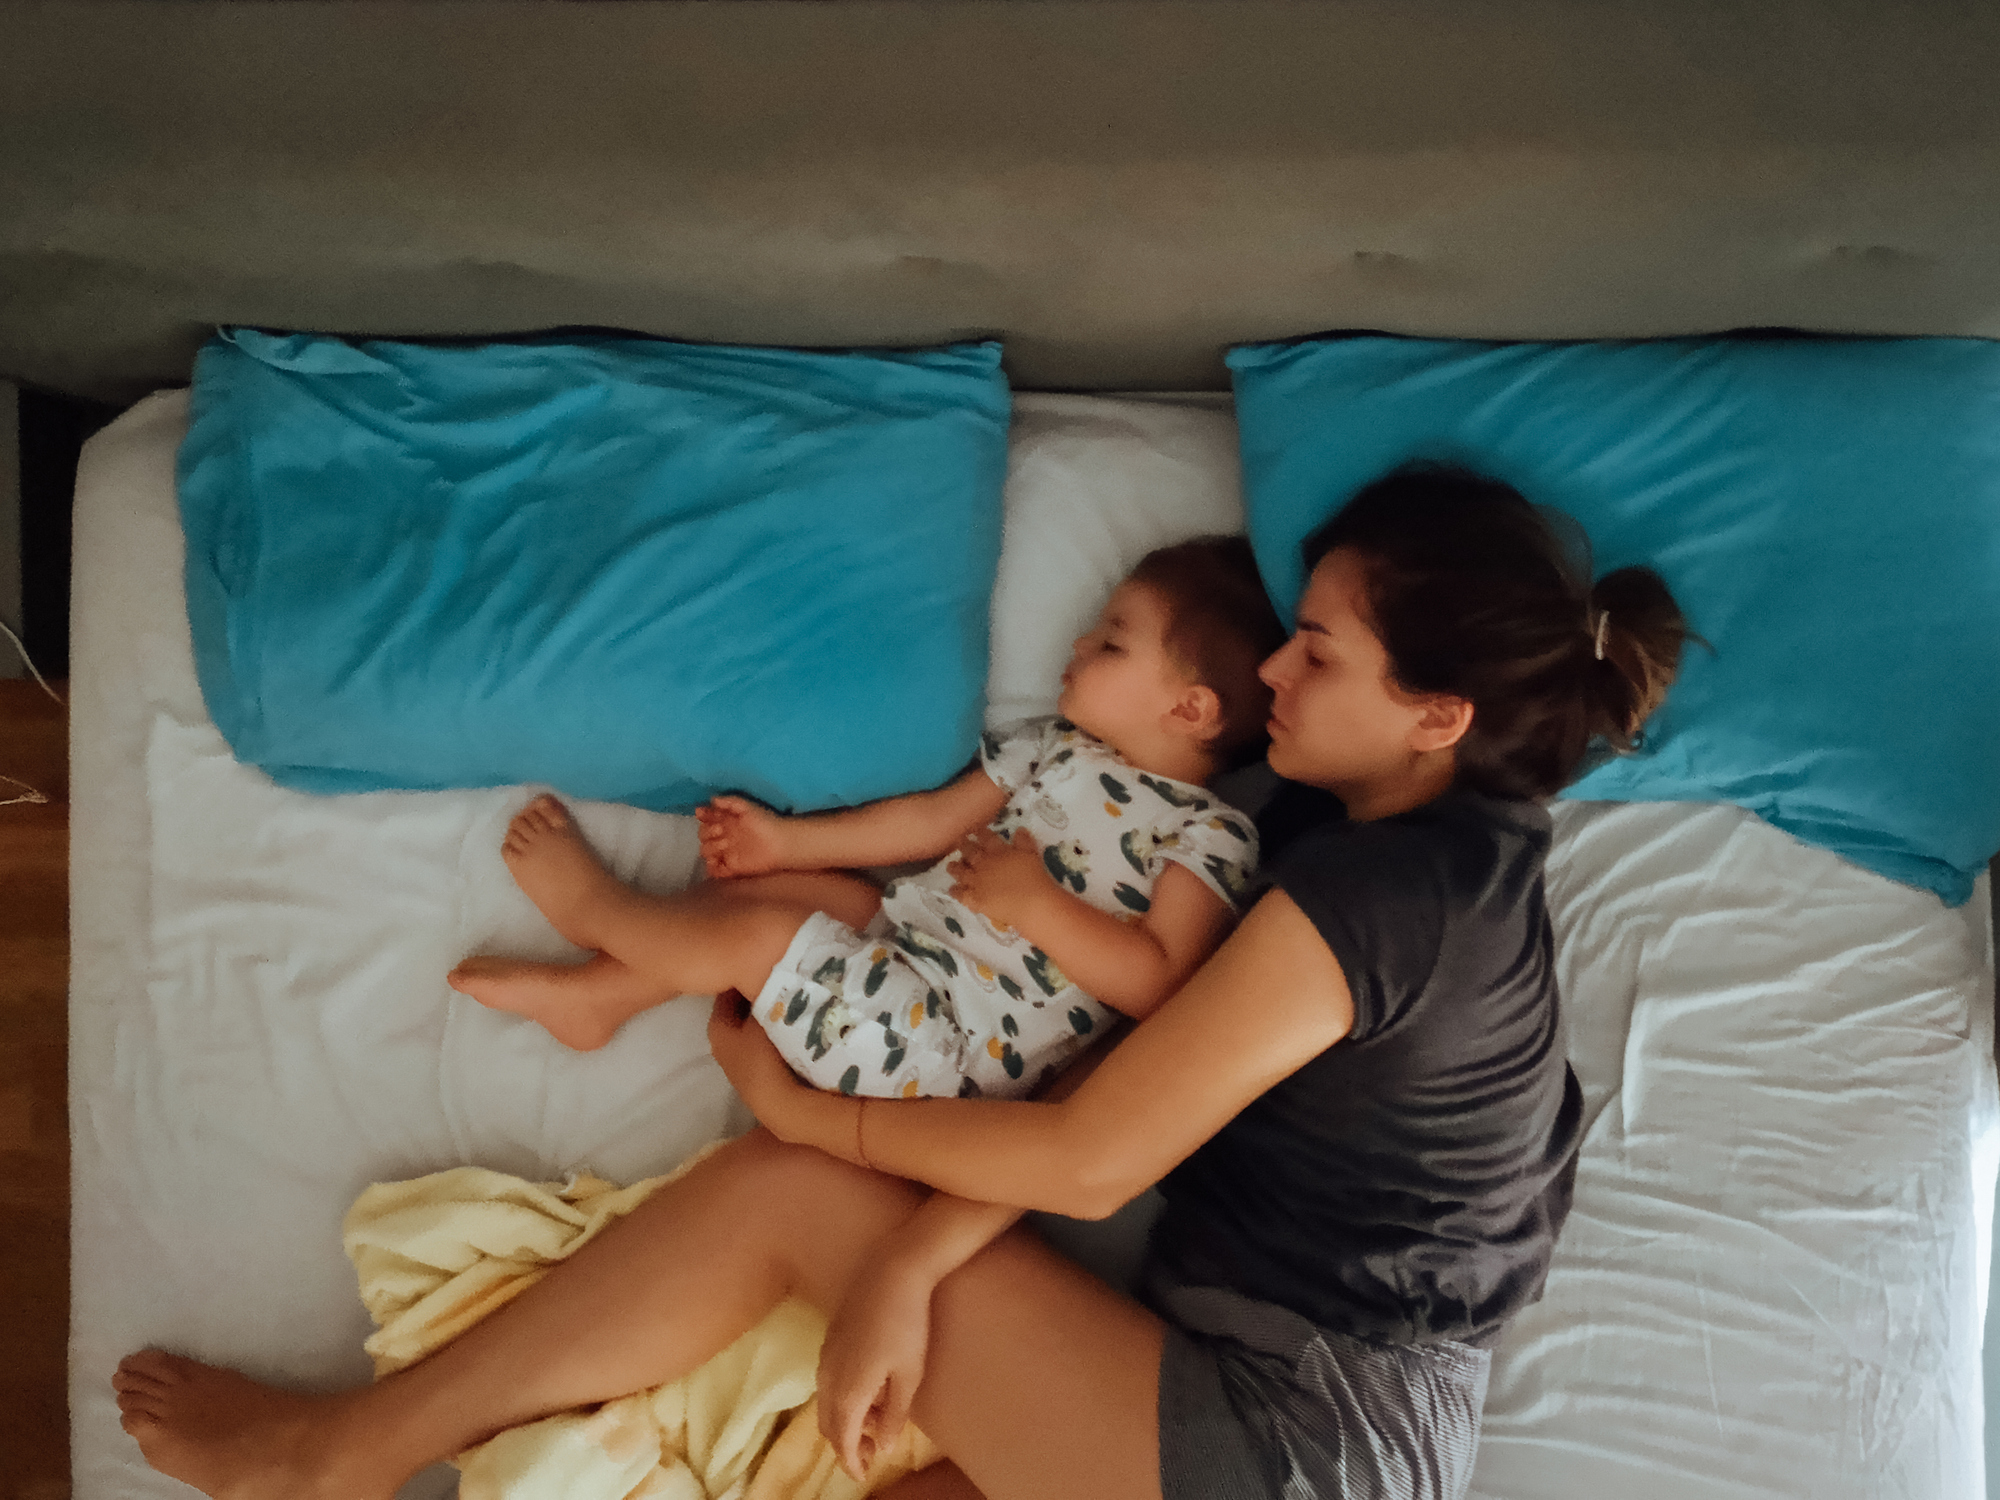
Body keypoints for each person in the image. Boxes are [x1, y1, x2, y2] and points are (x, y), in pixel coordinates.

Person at [114, 462, 1690, 1500]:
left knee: (778, 1194)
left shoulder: (1397, 905)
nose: (1273, 668)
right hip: (1293, 1407)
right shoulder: (1362, 840)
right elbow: (1097, 1075)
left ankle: (336, 1457)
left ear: (1439, 716)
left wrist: (823, 1137)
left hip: (1299, 1447)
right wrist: (921, 1262)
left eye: (1322, 655)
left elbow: (1089, 1153)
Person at [447, 535, 1285, 1099]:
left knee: (758, 940)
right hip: (910, 953)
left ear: (1192, 709)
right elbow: (927, 824)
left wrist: (1038, 905)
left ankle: (597, 911)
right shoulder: (1052, 747)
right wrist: (787, 840)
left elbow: (1161, 982)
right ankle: (601, 998)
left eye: (1112, 643)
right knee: (797, 891)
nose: (1075, 647)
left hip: (943, 1055)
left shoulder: (1210, 835)